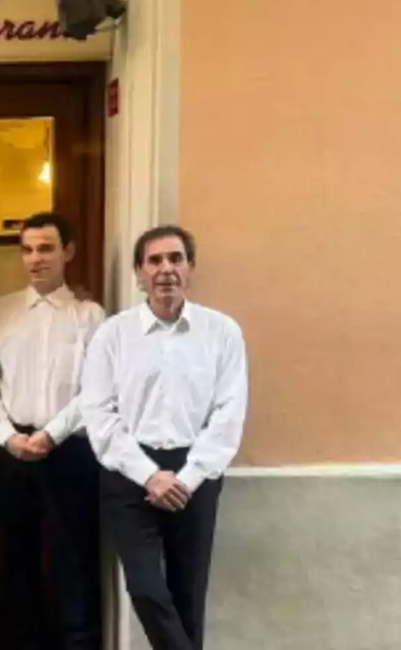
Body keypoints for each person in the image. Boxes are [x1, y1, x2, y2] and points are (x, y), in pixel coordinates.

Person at [80, 225, 248, 650]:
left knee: (188, 598)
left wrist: (186, 478)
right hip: (128, 475)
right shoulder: (113, 336)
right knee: (146, 589)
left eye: (176, 259)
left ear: (190, 268)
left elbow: (228, 414)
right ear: (139, 273)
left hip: (197, 474)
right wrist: (150, 476)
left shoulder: (222, 332)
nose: (166, 269)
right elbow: (99, 414)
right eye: (154, 261)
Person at [0, 212, 106, 650]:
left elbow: (98, 390)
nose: (35, 258)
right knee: (18, 557)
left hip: (70, 451)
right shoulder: (1, 311)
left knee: (76, 558)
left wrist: (51, 434)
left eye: (46, 248)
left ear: (68, 252)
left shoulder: (90, 315)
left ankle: (80, 643)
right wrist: (6, 436)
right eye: (28, 249)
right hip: (12, 451)